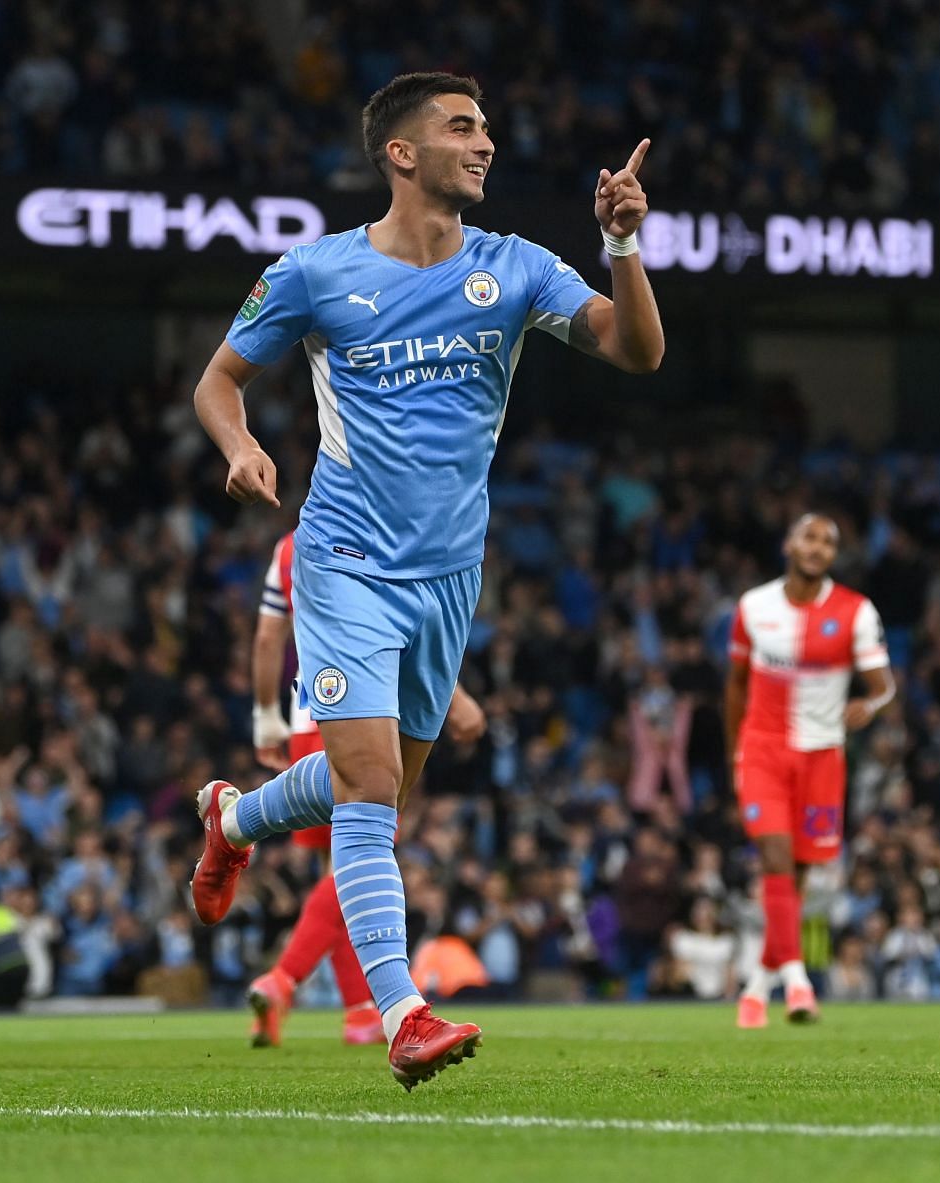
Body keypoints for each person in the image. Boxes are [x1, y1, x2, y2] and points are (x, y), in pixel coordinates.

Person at [188, 71, 663, 1089]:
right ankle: (402, 1012)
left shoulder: (519, 267)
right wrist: (238, 445)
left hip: (448, 574)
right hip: (345, 554)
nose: (485, 141)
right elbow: (217, 380)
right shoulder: (317, 273)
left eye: (487, 125)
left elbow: (636, 349)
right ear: (401, 153)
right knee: (368, 787)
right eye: (462, 127)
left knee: (380, 791)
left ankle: (231, 820)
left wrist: (623, 246)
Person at [245, 530, 484, 1048]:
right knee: (365, 852)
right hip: (365, 714)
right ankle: (283, 978)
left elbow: (268, 637)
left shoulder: (288, 547)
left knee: (340, 869)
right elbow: (406, 624)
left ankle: (360, 1011)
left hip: (308, 712)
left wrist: (266, 716)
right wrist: (455, 695)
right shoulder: (381, 527)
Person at [725, 513, 894, 1028]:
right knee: (775, 858)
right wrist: (736, 753)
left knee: (794, 879)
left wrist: (872, 705)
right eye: (809, 536)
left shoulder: (855, 612)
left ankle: (756, 989)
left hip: (822, 756)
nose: (818, 547)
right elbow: (734, 685)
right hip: (764, 752)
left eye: (828, 541)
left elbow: (884, 684)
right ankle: (799, 986)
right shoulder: (754, 607)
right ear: (789, 543)